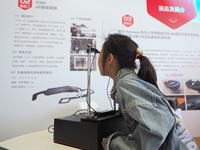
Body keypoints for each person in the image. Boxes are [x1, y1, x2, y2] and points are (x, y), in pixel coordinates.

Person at [98, 33, 198, 150]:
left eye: (100, 54)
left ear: (109, 58)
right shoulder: (131, 81)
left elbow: (154, 132)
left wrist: (113, 143)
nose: (98, 59)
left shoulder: (126, 84)